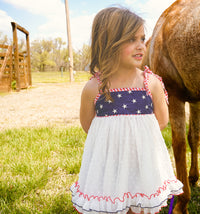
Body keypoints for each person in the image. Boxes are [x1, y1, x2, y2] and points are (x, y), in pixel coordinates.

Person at [70, 7, 183, 214]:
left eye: (142, 38)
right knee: (111, 204)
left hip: (142, 160)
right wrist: (115, 141)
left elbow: (162, 121)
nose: (141, 46)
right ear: (108, 42)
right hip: (109, 163)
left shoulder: (150, 83)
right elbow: (89, 126)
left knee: (140, 206)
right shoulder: (94, 88)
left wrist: (137, 137)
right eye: (131, 39)